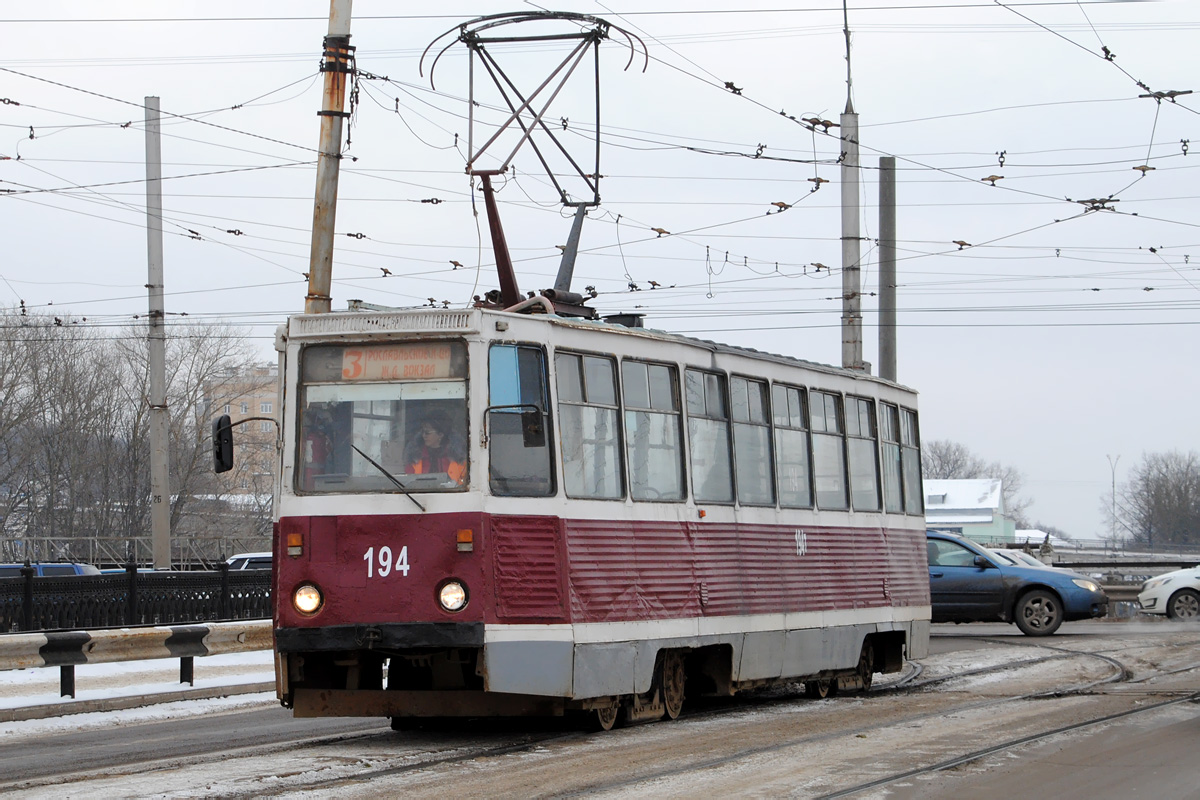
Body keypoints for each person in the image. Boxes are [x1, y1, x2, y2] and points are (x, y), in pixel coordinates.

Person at [405, 413, 466, 485]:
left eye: (427, 432)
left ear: (441, 434)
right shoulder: (414, 457)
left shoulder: (459, 458)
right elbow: (408, 483)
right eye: (422, 432)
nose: (424, 435)